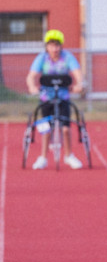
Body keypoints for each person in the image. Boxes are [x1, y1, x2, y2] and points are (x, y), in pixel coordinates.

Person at [25, 29, 85, 170]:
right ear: (47, 46)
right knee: (46, 128)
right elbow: (31, 76)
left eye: (57, 45)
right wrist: (32, 87)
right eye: (51, 45)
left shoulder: (68, 57)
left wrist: (79, 84)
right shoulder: (41, 58)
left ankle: (69, 155)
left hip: (63, 97)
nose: (55, 49)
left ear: (61, 46)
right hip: (46, 98)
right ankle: (43, 157)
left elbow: (77, 74)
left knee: (65, 129)